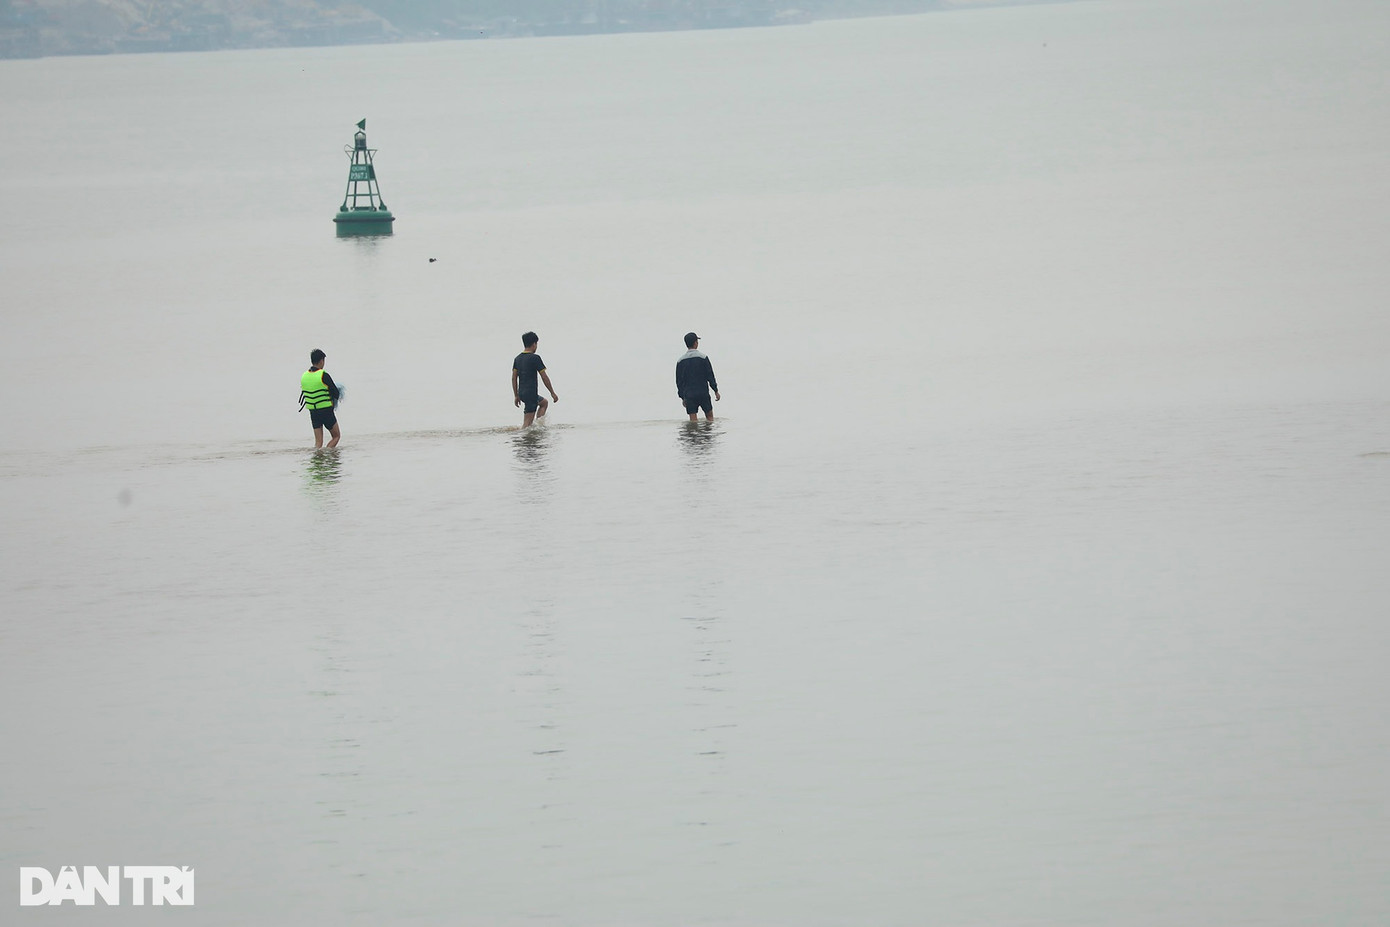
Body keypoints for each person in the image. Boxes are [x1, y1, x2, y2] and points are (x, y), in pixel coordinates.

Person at [512, 331, 559, 427]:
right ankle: (524, 437)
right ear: (534, 344)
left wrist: (516, 395)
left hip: (522, 393)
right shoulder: (535, 358)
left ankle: (538, 427)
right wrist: (552, 392)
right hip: (531, 394)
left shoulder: (518, 359)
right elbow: (544, 377)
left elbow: (513, 378)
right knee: (526, 425)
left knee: (544, 403)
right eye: (536, 344)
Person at [299, 348, 341, 448]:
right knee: (336, 436)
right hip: (326, 411)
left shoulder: (304, 376)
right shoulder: (324, 375)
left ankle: (318, 461)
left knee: (318, 442)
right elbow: (336, 394)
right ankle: (328, 454)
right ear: (321, 360)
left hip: (313, 411)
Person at [676, 332, 720, 421]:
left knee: (693, 422)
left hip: (689, 395)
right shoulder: (703, 358)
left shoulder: (680, 361)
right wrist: (715, 390)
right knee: (710, 417)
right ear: (696, 343)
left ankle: (693, 434)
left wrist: (682, 397)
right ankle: (708, 434)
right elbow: (710, 376)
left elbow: (679, 381)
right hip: (703, 393)